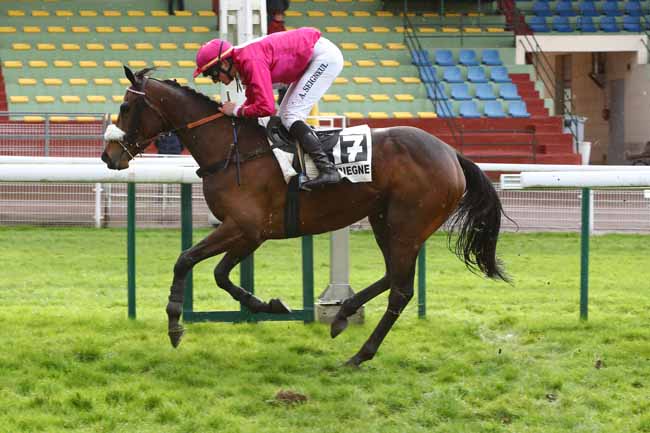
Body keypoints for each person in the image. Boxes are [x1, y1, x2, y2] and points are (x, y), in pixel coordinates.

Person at [192, 27, 343, 189]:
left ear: (224, 63)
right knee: (285, 117)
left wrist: (236, 110)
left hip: (323, 58)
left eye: (213, 74)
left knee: (291, 116)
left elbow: (266, 107)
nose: (215, 80)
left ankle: (327, 169)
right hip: (312, 57)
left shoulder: (250, 60)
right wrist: (236, 113)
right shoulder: (243, 61)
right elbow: (252, 103)